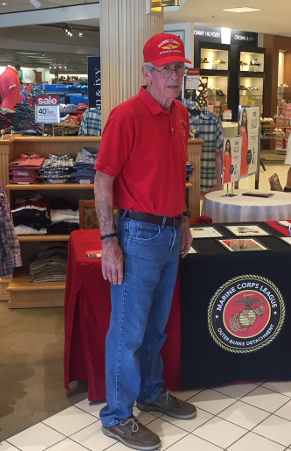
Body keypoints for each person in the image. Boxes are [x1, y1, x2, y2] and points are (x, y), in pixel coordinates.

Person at [93, 32, 196, 451]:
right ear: (147, 72)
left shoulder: (181, 114)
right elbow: (102, 181)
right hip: (138, 234)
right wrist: (109, 241)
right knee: (128, 330)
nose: (174, 76)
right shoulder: (126, 116)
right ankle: (117, 415)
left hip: (171, 232)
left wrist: (184, 219)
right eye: (166, 69)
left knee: (156, 326)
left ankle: (151, 392)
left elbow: (178, 173)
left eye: (179, 68)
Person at [239, 107, 249, 177]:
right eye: (243, 116)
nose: (244, 118)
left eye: (245, 117)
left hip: (245, 152)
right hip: (241, 152)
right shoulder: (239, 129)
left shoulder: (247, 130)